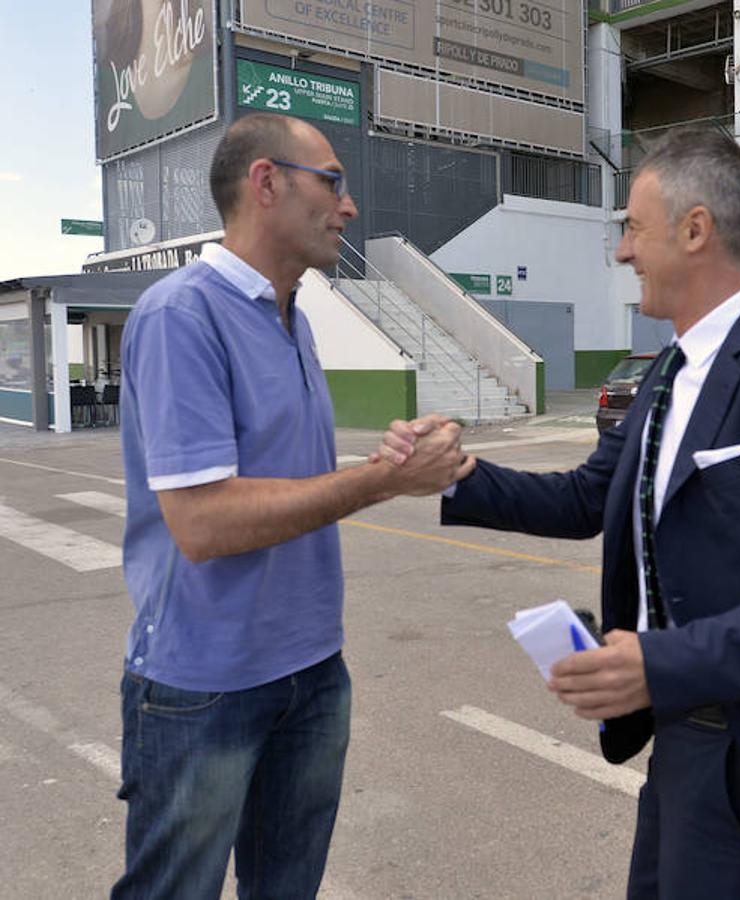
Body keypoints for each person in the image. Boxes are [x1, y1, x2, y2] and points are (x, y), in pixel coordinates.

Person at [382, 129, 740, 898]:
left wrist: (661, 662)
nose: (622, 252)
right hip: (679, 737)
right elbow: (589, 496)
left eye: (631, 227)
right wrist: (457, 474)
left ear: (695, 230)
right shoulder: (668, 370)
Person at [114, 112, 471, 899]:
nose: (349, 207)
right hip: (204, 682)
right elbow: (204, 523)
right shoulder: (183, 316)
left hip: (311, 672)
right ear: (266, 183)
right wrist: (381, 481)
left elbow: (285, 479)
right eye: (333, 181)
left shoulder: (294, 319)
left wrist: (390, 456)